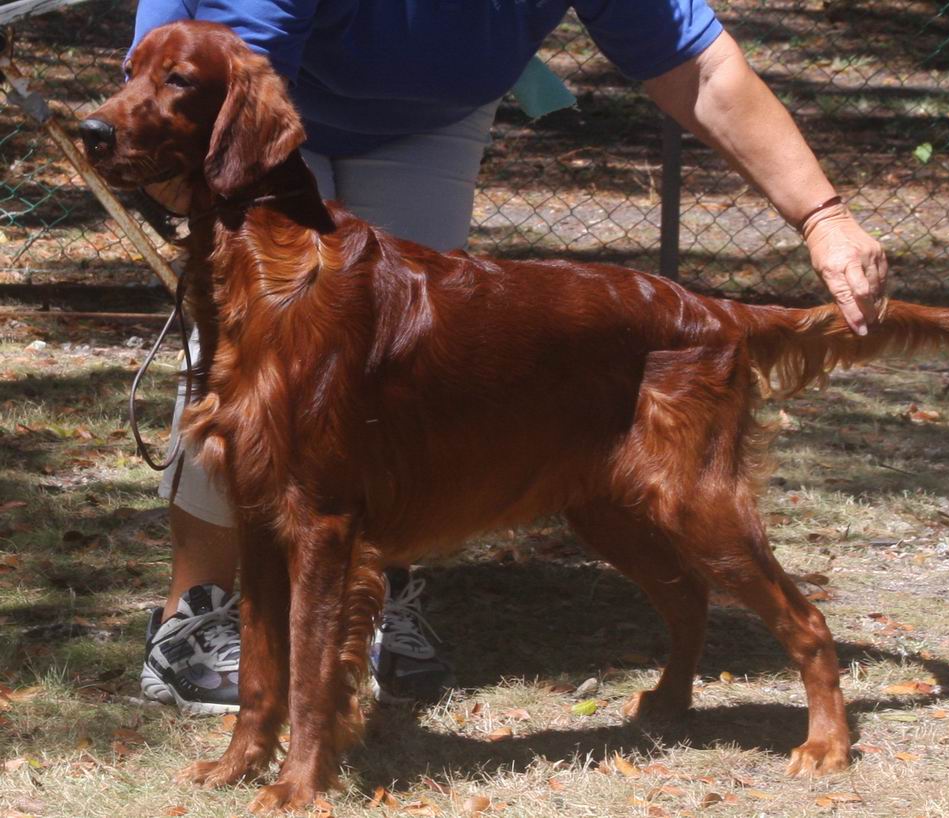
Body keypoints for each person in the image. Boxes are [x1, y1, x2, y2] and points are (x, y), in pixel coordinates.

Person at [132, 0, 888, 715]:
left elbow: (703, 68)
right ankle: (199, 613)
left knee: (410, 368)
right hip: (252, 109)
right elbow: (228, 68)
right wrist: (176, 162)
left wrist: (823, 215)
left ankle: (370, 604)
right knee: (260, 370)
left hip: (429, 110)